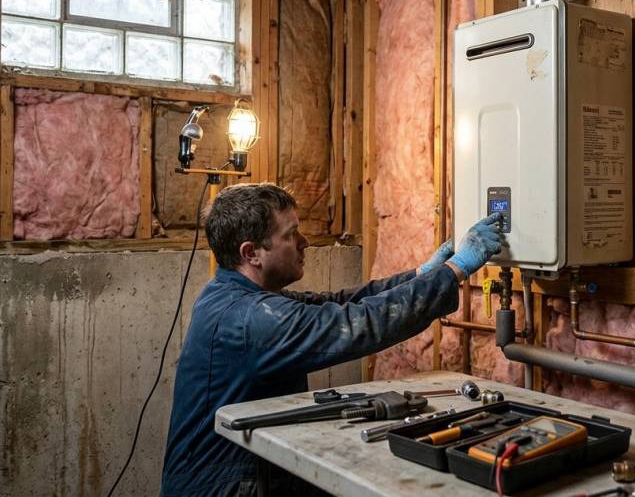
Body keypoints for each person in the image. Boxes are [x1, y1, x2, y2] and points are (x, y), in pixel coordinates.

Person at [160, 182, 502, 496]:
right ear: (252, 253)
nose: (304, 241)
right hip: (224, 486)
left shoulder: (234, 295)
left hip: (243, 471)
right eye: (292, 234)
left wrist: (421, 275)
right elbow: (359, 322)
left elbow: (338, 303)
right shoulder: (250, 320)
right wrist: (455, 270)